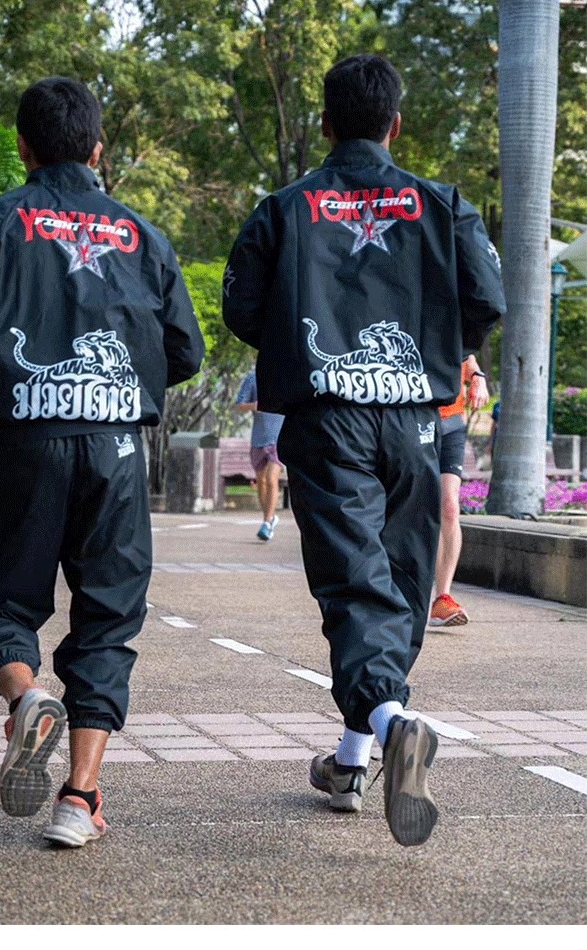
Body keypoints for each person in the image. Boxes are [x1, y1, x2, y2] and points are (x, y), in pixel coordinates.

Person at [223, 54, 504, 846]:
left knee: (355, 583)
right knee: (401, 586)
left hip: (328, 418)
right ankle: (351, 764)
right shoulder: (443, 205)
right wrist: (435, 343)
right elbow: (487, 300)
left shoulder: (284, 208)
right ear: (396, 124)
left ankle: (388, 722)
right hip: (416, 421)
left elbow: (243, 307)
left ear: (324, 123)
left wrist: (303, 337)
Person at [0, 77, 204, 847]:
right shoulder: (143, 235)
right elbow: (184, 349)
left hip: (23, 440)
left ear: (23, 147)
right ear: (98, 149)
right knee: (108, 623)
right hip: (116, 451)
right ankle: (79, 800)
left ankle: (25, 699)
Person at [430, 354, 489, 626]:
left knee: (450, 507)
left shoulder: (455, 331)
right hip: (415, 420)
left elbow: (468, 357)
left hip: (451, 424)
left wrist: (478, 377)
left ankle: (442, 598)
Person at [235, 367, 285, 540]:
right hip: (259, 439)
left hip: (279, 439)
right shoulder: (252, 378)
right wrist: (254, 405)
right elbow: (239, 405)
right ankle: (269, 519)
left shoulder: (286, 377)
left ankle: (266, 522)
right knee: (261, 481)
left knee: (271, 479)